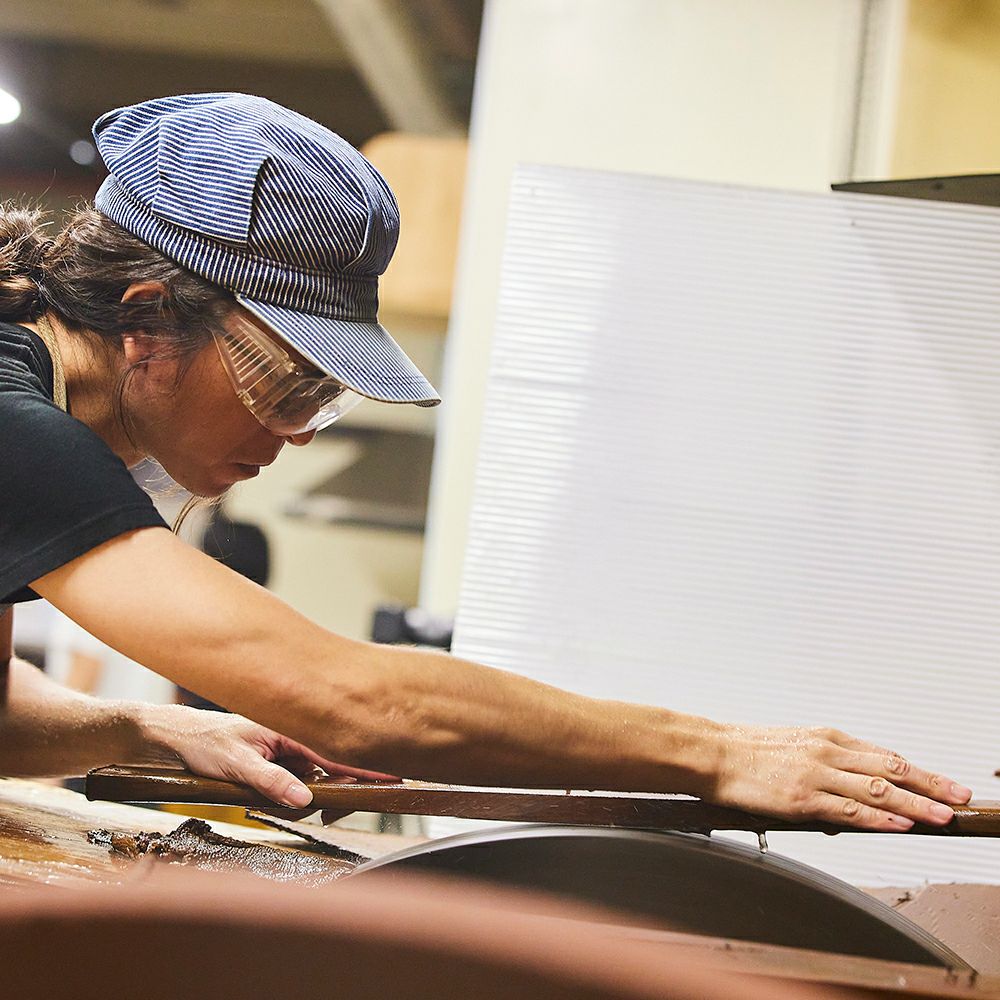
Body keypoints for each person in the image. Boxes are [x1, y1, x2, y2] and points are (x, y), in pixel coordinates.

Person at [0, 93, 972, 830]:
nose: (297, 433)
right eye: (284, 381)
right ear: (146, 323)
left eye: (322, 397)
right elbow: (352, 697)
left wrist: (143, 726)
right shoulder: (16, 425)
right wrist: (714, 752)